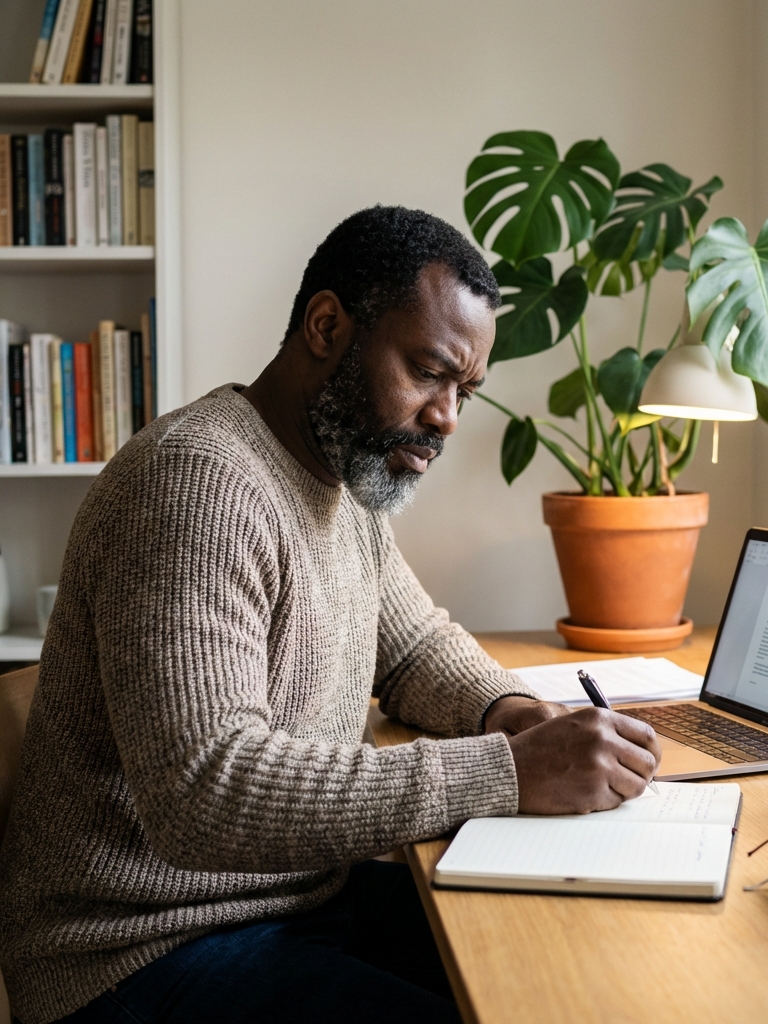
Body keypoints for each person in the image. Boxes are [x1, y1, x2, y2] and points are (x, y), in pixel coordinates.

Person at [0, 206, 661, 1024]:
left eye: (465, 389)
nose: (447, 416)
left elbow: (415, 647)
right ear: (326, 325)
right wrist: (508, 773)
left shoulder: (342, 482)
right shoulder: (197, 484)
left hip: (288, 900)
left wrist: (511, 712)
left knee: (562, 971)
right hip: (134, 953)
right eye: (428, 371)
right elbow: (204, 792)